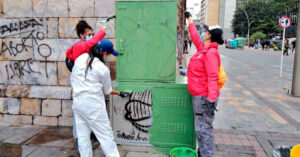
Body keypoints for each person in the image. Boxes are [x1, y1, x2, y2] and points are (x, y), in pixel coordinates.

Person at [71, 39, 130, 157]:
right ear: (104, 54)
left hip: (78, 104)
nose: (109, 57)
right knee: (106, 138)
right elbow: (107, 90)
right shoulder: (102, 69)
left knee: (83, 138)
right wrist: (119, 93)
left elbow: (73, 79)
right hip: (94, 108)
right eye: (109, 54)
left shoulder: (80, 59)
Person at [185, 11, 223, 157]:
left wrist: (211, 100)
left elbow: (213, 77)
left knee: (204, 129)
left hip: (204, 98)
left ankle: (207, 154)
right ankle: (203, 153)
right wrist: (190, 20)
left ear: (209, 35)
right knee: (201, 129)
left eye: (205, 31)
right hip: (199, 96)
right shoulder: (204, 49)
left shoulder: (211, 53)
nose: (203, 33)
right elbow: (194, 36)